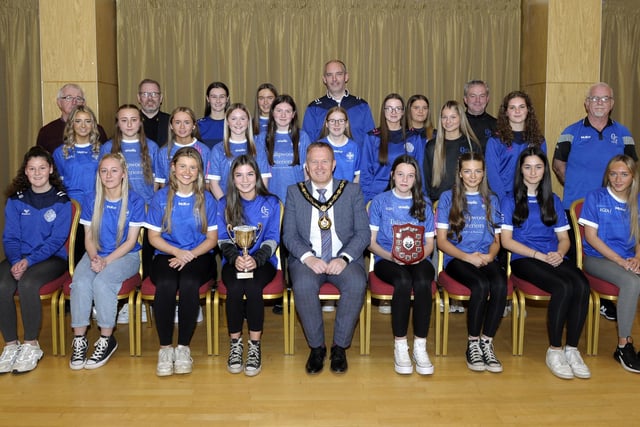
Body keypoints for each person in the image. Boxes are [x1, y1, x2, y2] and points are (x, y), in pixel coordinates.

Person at [501, 147, 591, 380]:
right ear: (520, 170)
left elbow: (564, 239)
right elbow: (507, 241)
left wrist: (560, 253)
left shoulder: (553, 200)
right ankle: (554, 349)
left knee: (581, 284)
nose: (533, 172)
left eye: (538, 167)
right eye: (528, 167)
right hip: (525, 259)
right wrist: (538, 255)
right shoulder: (510, 200)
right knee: (563, 287)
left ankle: (572, 348)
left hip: (554, 257)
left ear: (544, 171)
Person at [283, 142, 370, 374]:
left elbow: (363, 233)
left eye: (324, 161)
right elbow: (289, 235)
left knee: (356, 283)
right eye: (314, 161)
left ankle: (340, 347)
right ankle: (317, 347)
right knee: (302, 285)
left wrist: (344, 258)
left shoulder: (351, 191)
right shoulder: (294, 192)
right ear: (306, 167)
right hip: (309, 259)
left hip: (343, 257)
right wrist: (308, 258)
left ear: (333, 165)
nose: (319, 166)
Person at [553, 82, 637, 321]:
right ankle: (576, 303)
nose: (599, 103)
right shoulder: (572, 131)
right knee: (575, 260)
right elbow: (558, 164)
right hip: (576, 207)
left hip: (614, 210)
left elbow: (631, 166)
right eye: (595, 99)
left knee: (609, 254)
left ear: (612, 103)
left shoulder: (623, 133)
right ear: (586, 103)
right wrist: (578, 184)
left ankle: (606, 301)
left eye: (605, 99)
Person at [145, 147, 218, 377]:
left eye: (192, 167)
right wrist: (177, 252)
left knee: (188, 282)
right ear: (173, 169)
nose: (187, 172)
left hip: (199, 255)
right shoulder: (160, 197)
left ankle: (184, 347)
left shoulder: (206, 199)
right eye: (182, 166)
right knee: (165, 284)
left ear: (199, 172)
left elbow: (212, 239)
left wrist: (190, 255)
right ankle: (165, 348)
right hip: (167, 253)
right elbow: (153, 238)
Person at [68, 153, 145, 370]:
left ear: (123, 174)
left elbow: (131, 242)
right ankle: (80, 339)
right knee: (81, 282)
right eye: (104, 171)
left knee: (102, 283)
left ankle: (106, 338)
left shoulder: (136, 200)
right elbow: (89, 236)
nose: (108, 175)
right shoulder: (92, 199)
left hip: (125, 256)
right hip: (95, 253)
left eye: (113, 170)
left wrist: (106, 261)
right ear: (99, 174)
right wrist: (95, 258)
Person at [0, 147, 71, 374]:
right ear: (26, 171)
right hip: (18, 258)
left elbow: (56, 241)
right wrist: (15, 260)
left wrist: (28, 262)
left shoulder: (62, 201)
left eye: (42, 168)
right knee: (2, 285)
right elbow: (10, 237)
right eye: (32, 168)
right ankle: (11, 345)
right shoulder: (16, 199)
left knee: (28, 283)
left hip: (51, 258)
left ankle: (31, 345)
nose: (37, 173)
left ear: (51, 169)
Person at [436, 152, 506, 373]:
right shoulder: (449, 197)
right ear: (460, 173)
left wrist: (491, 256)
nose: (473, 176)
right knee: (480, 285)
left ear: (483, 173)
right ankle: (473, 343)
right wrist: (468, 257)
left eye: (477, 171)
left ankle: (487, 341)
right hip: (458, 258)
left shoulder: (492, 199)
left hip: (485, 257)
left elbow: (497, 240)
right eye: (467, 171)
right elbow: (441, 242)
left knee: (500, 284)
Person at [368, 155, 435, 375]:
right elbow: (371, 243)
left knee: (425, 279)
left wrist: (417, 257)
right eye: (400, 174)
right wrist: (391, 256)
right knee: (403, 281)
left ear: (416, 179)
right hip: (386, 258)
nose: (405, 180)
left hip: (417, 259)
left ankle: (419, 346)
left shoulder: (423, 203)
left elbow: (430, 244)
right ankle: (400, 345)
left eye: (410, 175)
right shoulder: (380, 201)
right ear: (392, 176)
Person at [217, 155, 280, 376]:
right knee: (234, 288)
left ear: (257, 176)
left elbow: (273, 237)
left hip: (264, 262)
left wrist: (257, 258)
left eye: (250, 174)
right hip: (233, 260)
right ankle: (235, 343)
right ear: (233, 179)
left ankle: (254, 345)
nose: (245, 180)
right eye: (239, 175)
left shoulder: (270, 202)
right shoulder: (224, 203)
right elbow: (223, 239)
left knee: (253, 287)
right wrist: (237, 258)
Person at [579, 155, 640, 373]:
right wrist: (621, 261)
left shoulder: (637, 200)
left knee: (632, 277)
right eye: (613, 174)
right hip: (598, 259)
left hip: (627, 260)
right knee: (632, 283)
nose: (618, 179)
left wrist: (637, 258)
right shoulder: (596, 197)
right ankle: (623, 346)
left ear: (633, 177)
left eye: (624, 174)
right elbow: (592, 238)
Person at [53, 105, 102, 265]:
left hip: (97, 210)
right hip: (71, 211)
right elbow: (57, 186)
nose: (83, 125)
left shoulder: (102, 151)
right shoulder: (60, 152)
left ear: (93, 124)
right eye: (78, 121)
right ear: (71, 124)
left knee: (96, 253)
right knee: (74, 255)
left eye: (87, 121)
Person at [360, 93, 424, 204]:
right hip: (377, 195)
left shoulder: (413, 137)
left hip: (407, 195)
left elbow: (420, 171)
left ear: (403, 112)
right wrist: (367, 200)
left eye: (397, 108)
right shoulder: (372, 137)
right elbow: (366, 173)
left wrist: (420, 196)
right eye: (389, 108)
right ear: (383, 111)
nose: (393, 112)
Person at [485, 91, 546, 203]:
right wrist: (505, 201)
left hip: (532, 198)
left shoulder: (539, 140)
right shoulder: (495, 141)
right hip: (503, 198)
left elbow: (542, 172)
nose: (517, 111)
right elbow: (492, 176)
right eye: (512, 107)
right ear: (506, 112)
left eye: (521, 107)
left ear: (528, 110)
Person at [302, 59, 375, 148]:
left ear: (346, 77)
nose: (334, 79)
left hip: (356, 161)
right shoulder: (314, 108)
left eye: (339, 74)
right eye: (329, 75)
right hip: (323, 161)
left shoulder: (361, 106)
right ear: (324, 79)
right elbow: (307, 145)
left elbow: (371, 143)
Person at [208, 103, 270, 200]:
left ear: (248, 121)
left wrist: (254, 204)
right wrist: (226, 206)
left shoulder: (258, 148)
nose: (238, 123)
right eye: (233, 119)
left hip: (253, 204)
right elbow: (213, 184)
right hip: (228, 206)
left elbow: (264, 182)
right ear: (227, 122)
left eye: (242, 118)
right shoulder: (218, 149)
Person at [423, 100, 481, 203]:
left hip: (466, 202)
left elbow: (480, 177)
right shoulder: (431, 146)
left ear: (461, 118)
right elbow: (426, 180)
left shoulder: (472, 145)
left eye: (453, 117)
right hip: (438, 203)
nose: (448, 121)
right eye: (444, 117)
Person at [259, 95, 310, 203]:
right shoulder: (262, 138)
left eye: (287, 111)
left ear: (293, 114)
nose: (283, 115)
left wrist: (307, 198)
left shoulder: (303, 137)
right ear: (272, 113)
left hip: (297, 199)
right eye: (279, 111)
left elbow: (307, 173)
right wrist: (265, 199)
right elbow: (262, 174)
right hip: (271, 199)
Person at [36, 83, 108, 155]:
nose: (74, 102)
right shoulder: (47, 132)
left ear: (84, 103)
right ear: (59, 102)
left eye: (78, 98)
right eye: (69, 98)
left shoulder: (96, 130)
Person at [154, 107, 211, 190]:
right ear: (171, 126)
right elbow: (163, 183)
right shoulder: (164, 152)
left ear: (194, 125)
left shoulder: (204, 150)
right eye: (177, 122)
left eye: (187, 122)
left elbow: (207, 183)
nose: (182, 127)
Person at [318, 106, 361, 183]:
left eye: (341, 121)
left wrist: (350, 191)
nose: (336, 124)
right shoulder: (319, 146)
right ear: (326, 124)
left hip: (347, 193)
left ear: (346, 124)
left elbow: (358, 175)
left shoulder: (354, 147)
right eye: (332, 121)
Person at [463, 80, 497, 152]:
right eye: (473, 96)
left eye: (482, 96)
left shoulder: (497, 125)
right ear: (465, 99)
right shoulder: (456, 124)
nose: (477, 100)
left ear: (487, 99)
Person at [137, 78, 170, 147]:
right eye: (145, 94)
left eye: (154, 94)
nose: (150, 98)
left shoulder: (171, 121)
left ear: (161, 98)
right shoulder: (129, 122)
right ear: (139, 98)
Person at [198, 81, 230, 149]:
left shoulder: (236, 125)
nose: (218, 101)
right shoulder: (198, 125)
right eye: (214, 97)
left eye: (222, 97)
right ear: (208, 99)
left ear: (227, 99)